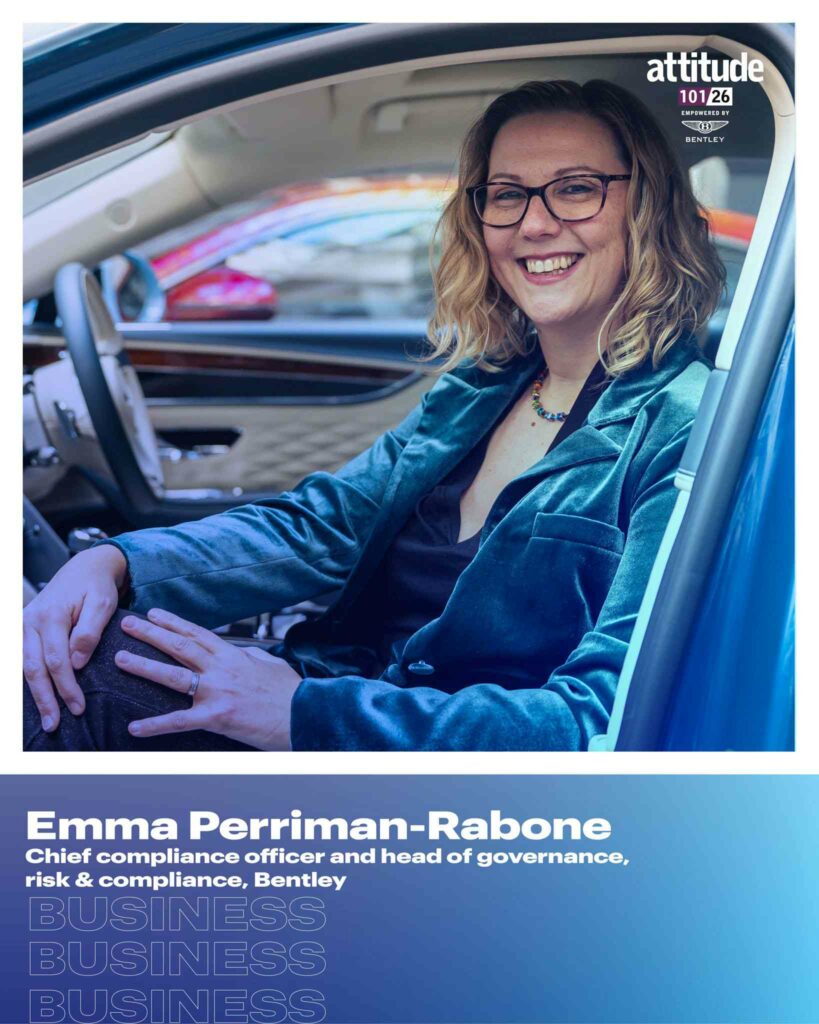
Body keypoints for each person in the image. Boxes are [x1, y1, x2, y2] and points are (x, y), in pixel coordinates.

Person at [23, 79, 725, 752]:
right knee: (64, 652)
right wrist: (117, 562)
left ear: (645, 210)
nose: (535, 224)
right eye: (506, 195)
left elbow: (600, 722)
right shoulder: (485, 386)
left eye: (576, 189)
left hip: (429, 786)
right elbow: (321, 525)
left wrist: (303, 715)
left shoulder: (681, 424)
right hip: (336, 693)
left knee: (68, 678)